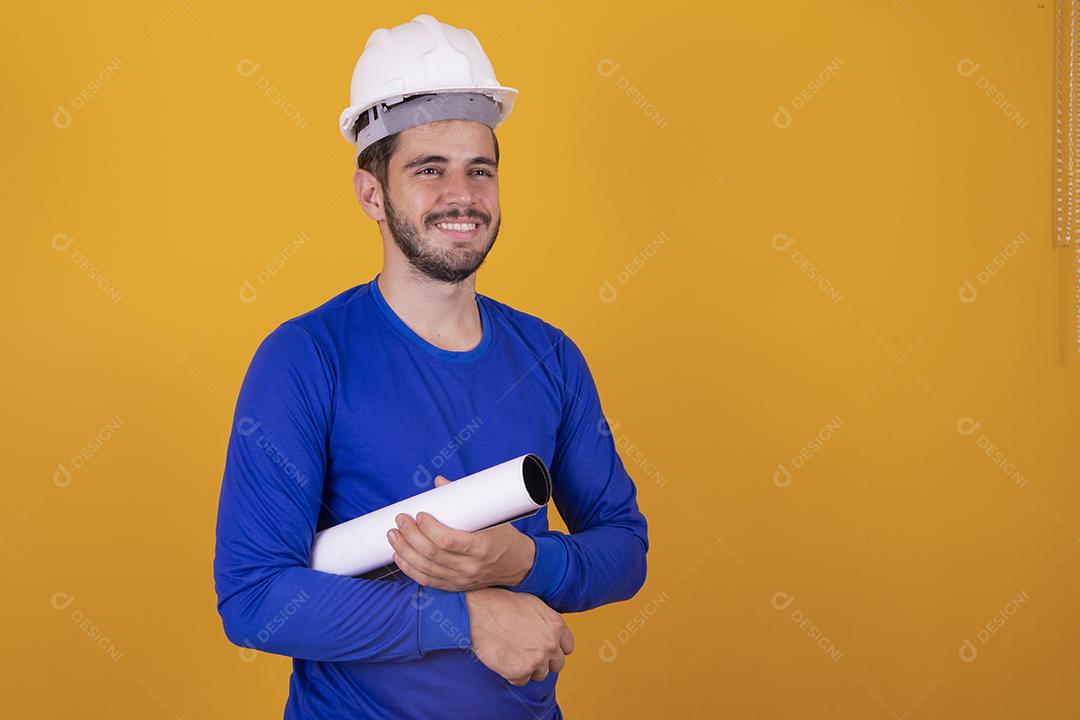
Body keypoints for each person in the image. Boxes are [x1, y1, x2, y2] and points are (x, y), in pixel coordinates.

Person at [213, 14, 649, 719]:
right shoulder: (304, 359)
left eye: (481, 170)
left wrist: (524, 564)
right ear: (372, 194)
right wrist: (466, 617)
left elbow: (626, 549)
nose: (462, 195)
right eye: (429, 169)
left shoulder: (551, 356)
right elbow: (255, 598)